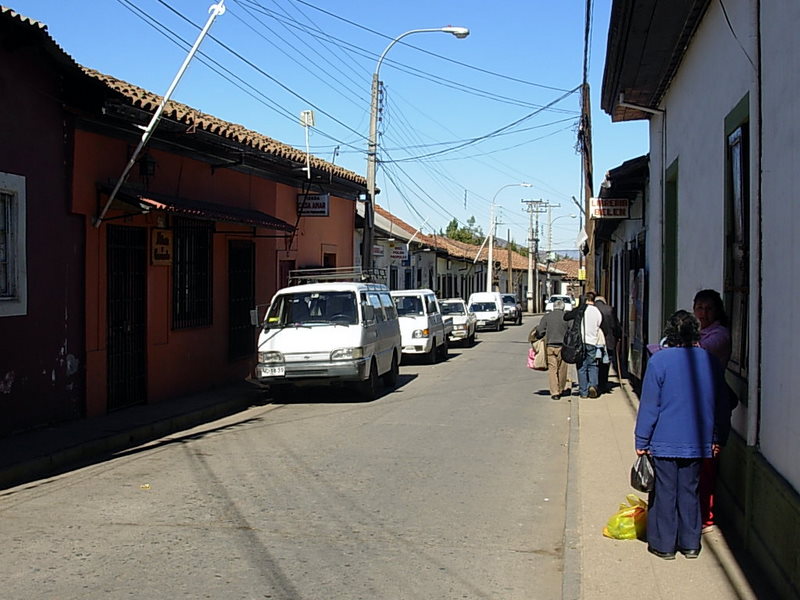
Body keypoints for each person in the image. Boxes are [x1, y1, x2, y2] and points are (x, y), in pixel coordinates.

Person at [634, 310, 728, 560]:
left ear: (670, 334)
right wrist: (718, 438)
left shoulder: (659, 361)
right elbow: (721, 404)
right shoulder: (710, 361)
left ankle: (664, 545)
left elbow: (650, 405)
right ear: (695, 333)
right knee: (690, 490)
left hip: (664, 440)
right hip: (698, 440)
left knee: (665, 492)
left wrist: (642, 440)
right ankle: (690, 543)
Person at [692, 289, 733, 533]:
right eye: (700, 308)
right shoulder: (700, 332)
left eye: (708, 309)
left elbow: (697, 352)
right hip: (696, 405)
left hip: (711, 407)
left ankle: (706, 516)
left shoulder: (719, 335)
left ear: (717, 311)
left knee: (707, 465)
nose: (704, 313)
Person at [564, 291, 603, 398]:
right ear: (593, 300)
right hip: (592, 341)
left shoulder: (581, 310)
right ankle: (593, 385)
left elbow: (567, 316)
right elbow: (599, 324)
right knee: (593, 365)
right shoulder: (597, 311)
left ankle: (583, 391)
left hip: (580, 342)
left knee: (581, 367)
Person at [533, 299, 570, 400]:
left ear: (553, 307)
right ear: (563, 307)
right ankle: (561, 388)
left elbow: (540, 330)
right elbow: (571, 330)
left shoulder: (547, 317)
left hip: (550, 346)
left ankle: (555, 392)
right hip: (563, 347)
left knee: (552, 370)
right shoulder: (566, 317)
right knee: (562, 369)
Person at [595, 296, 622, 393]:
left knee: (594, 363)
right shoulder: (610, 309)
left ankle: (594, 383)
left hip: (594, 341)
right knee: (605, 363)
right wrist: (618, 336)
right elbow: (615, 325)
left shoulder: (591, 309)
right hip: (608, 341)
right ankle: (603, 384)